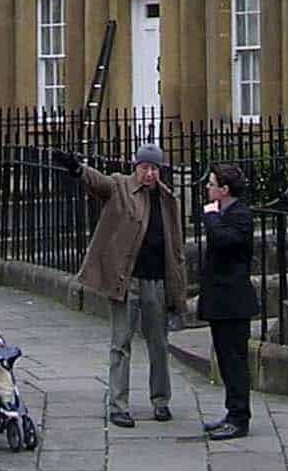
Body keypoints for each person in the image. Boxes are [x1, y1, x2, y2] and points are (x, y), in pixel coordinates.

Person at [54, 141, 186, 427]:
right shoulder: (120, 187)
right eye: (144, 168)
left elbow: (175, 248)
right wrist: (77, 168)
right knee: (121, 343)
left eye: (154, 168)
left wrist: (178, 288)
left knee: (159, 344)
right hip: (127, 280)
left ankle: (161, 400)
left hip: (157, 280)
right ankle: (118, 404)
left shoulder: (167, 200)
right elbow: (97, 182)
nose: (149, 174)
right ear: (135, 167)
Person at [198, 162, 258, 440]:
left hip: (233, 302)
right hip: (220, 300)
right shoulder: (226, 213)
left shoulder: (240, 215)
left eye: (211, 184)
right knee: (224, 358)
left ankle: (239, 418)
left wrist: (210, 217)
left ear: (224, 190)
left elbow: (225, 240)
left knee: (235, 361)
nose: (207, 188)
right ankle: (231, 412)